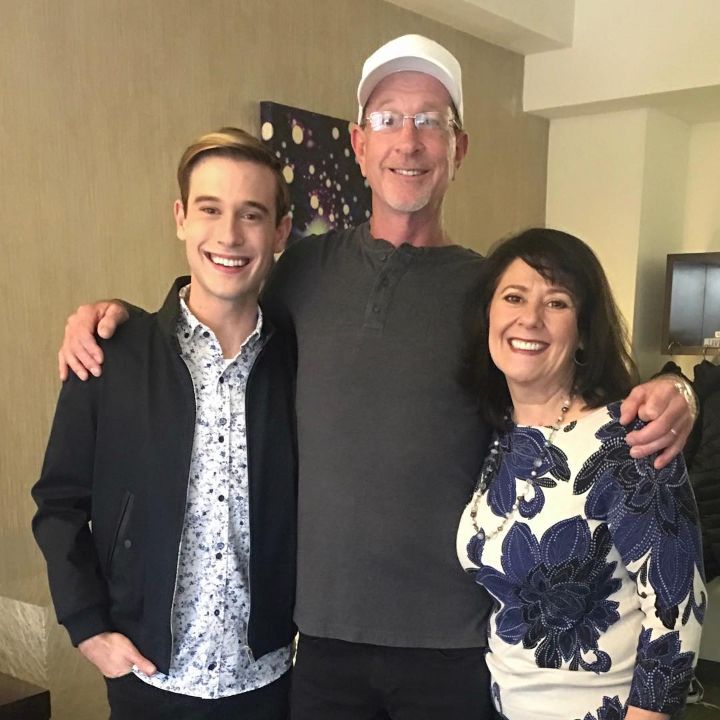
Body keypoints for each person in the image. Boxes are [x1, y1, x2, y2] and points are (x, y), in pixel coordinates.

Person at [55, 36, 697, 719]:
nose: (409, 143)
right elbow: (216, 302)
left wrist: (680, 392)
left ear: (460, 148)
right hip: (321, 643)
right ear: (359, 145)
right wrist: (115, 318)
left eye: (431, 122)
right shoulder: (302, 271)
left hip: (452, 647)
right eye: (389, 120)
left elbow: (574, 390)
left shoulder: (492, 292)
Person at [32, 128, 297, 720]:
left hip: (269, 682)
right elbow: (59, 504)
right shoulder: (109, 355)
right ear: (180, 218)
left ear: (279, 232)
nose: (229, 235)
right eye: (210, 209)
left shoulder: (299, 363)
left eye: (251, 215)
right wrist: (87, 627)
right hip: (148, 679)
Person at [457, 228, 706, 720]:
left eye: (557, 303)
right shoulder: (500, 436)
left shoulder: (625, 439)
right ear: (489, 314)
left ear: (585, 331)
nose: (529, 318)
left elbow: (677, 611)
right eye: (513, 297)